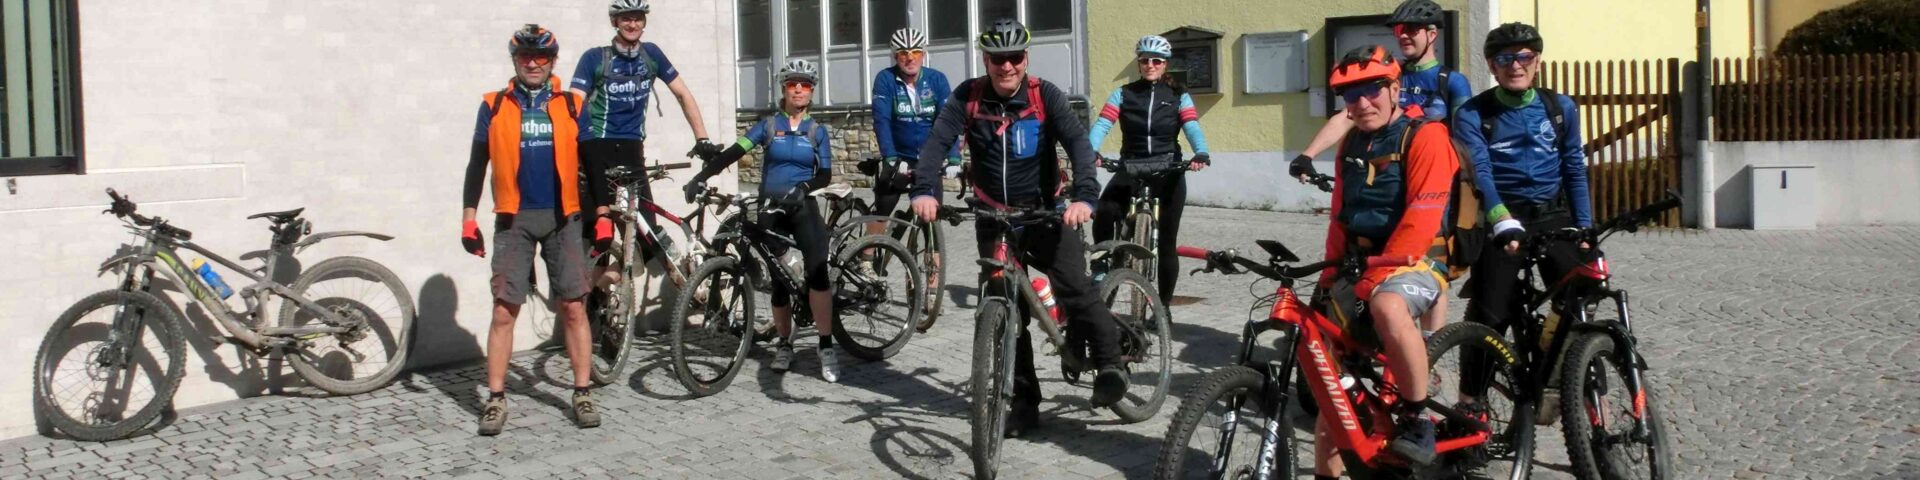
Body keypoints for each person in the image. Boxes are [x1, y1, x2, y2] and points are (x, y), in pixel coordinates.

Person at [909, 18, 1128, 438]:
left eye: (1013, 57)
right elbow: (937, 143)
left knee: (1074, 288)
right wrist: (923, 189)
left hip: (1046, 214)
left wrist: (1084, 197)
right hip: (994, 218)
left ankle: (1110, 364)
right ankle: (1024, 403)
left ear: (1025, 58)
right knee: (1008, 315)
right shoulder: (968, 96)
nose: (1006, 66)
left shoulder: (1045, 95)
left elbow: (1078, 144)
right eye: (997, 59)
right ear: (986, 61)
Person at [1310, 45, 1459, 476]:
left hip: (1418, 258)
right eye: (1349, 94)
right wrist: (1329, 274)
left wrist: (1375, 278)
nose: (1360, 102)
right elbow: (1341, 214)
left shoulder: (1426, 136)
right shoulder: (1352, 142)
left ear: (1395, 89)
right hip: (1362, 262)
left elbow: (1422, 217)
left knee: (1388, 305)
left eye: (1371, 90)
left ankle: (1417, 418)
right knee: (1334, 395)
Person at [461, 24, 603, 436]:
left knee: (573, 306)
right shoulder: (493, 105)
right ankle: (496, 398)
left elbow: (593, 163)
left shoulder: (572, 104)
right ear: (515, 60)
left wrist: (604, 214)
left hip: (563, 218)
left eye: (541, 56)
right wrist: (468, 218)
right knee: (504, 310)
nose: (533, 63)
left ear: (553, 61)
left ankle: (582, 391)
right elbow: (477, 164)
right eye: (525, 56)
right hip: (514, 219)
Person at [1452, 22, 1591, 419]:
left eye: (1525, 56)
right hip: (1502, 215)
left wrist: (1585, 227)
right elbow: (1480, 171)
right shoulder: (1474, 113)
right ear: (1492, 66)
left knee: (1580, 293)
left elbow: (1574, 167)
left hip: (1552, 213)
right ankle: (1470, 404)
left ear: (1538, 62)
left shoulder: (1559, 108)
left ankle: (1561, 373)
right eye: (1505, 58)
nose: (1516, 65)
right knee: (1489, 312)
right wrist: (1500, 219)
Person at [684, 59, 842, 382]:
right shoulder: (768, 126)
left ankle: (826, 346)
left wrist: (804, 188)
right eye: (793, 84)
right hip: (771, 208)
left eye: (805, 85)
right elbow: (734, 151)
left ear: (812, 91)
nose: (799, 89)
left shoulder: (817, 131)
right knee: (779, 282)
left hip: (802, 206)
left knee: (818, 273)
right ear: (783, 88)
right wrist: (701, 177)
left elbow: (824, 174)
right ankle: (784, 344)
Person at [571, 0, 723, 265]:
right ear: (615, 22)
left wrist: (702, 139)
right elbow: (573, 104)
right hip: (597, 149)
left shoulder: (651, 55)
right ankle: (594, 288)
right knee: (596, 234)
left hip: (632, 151)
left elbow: (682, 94)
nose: (632, 24)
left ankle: (632, 278)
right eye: (626, 18)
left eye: (638, 18)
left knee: (647, 235)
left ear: (644, 22)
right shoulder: (594, 58)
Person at [1292, 0, 1471, 200]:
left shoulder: (1452, 81)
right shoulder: (1388, 74)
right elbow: (1347, 117)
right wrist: (1307, 155)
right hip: (1386, 174)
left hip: (1432, 176)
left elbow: (1466, 140)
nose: (1403, 35)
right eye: (1399, 30)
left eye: (1411, 29)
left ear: (1432, 34)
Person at [1087, 34, 1212, 303]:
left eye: (1156, 61)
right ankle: (1100, 264)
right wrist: (1090, 149)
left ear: (1165, 64)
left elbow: (1191, 126)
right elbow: (1103, 124)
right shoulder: (1123, 94)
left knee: (1167, 242)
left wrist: (1201, 151)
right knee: (1105, 211)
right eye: (1145, 60)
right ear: (1139, 63)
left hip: (1168, 168)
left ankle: (1163, 307)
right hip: (1131, 165)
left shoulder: (1179, 95)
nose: (1150, 65)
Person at [866, 27, 959, 331]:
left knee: (931, 221)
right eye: (903, 53)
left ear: (923, 54)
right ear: (895, 56)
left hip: (928, 160)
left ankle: (930, 290)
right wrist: (891, 157)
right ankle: (866, 259)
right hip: (899, 157)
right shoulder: (885, 79)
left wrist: (953, 157)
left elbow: (947, 121)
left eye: (915, 52)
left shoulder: (937, 80)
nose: (910, 58)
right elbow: (882, 120)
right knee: (883, 209)